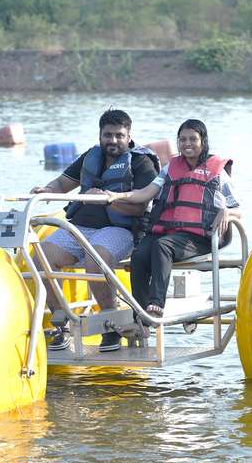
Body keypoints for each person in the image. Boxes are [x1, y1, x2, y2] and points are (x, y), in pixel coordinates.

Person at [30, 109, 159, 352]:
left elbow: (140, 207)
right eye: (108, 135)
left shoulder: (141, 162)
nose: (113, 140)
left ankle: (110, 325)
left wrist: (107, 200)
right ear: (100, 135)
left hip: (120, 229)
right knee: (40, 258)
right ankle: (61, 323)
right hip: (82, 227)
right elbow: (62, 183)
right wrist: (47, 189)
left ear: (129, 135)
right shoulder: (91, 156)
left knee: (95, 259)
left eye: (119, 135)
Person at [93, 119, 240, 318]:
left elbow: (237, 209)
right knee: (139, 255)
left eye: (193, 139)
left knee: (162, 246)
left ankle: (156, 304)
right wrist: (116, 196)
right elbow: (145, 193)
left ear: (203, 141)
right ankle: (141, 313)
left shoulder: (217, 172)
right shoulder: (171, 167)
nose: (187, 143)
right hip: (169, 232)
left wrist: (227, 212)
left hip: (200, 237)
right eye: (182, 139)